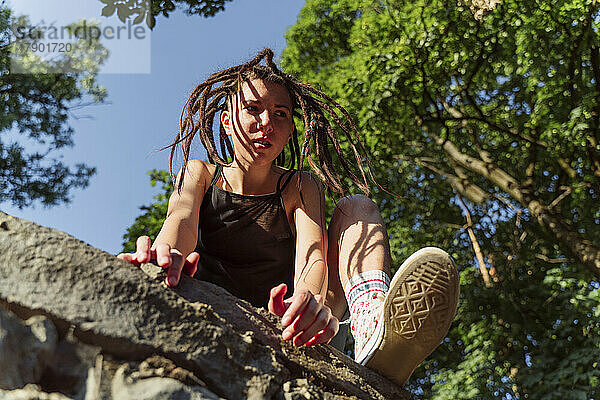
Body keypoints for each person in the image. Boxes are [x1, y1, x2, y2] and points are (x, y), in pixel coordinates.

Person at [117, 49, 459, 386]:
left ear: (290, 129)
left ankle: (375, 328)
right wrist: (164, 255)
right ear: (226, 119)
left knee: (356, 207)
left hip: (302, 325)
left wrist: (309, 303)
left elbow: (313, 257)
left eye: (280, 114)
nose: (267, 123)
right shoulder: (200, 173)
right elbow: (180, 218)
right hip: (217, 316)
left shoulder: (299, 185)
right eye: (253, 109)